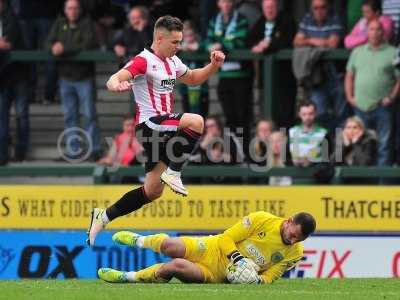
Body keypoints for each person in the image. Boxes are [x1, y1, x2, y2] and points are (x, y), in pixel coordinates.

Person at [86, 16, 225, 246]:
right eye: (174, 42)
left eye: (180, 42)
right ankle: (174, 172)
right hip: (150, 125)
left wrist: (213, 66)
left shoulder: (173, 61)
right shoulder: (143, 60)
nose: (178, 46)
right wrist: (115, 85)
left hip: (163, 129)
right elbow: (116, 77)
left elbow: (193, 79)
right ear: (159, 38)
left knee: (152, 191)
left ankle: (104, 216)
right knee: (197, 122)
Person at [97, 211, 316, 284]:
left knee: (174, 267)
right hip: (212, 247)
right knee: (170, 245)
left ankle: (126, 277)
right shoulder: (262, 220)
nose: (293, 241)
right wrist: (238, 258)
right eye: (293, 235)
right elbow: (226, 238)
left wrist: (256, 281)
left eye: (298, 240)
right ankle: (139, 241)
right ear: (288, 222)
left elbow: (272, 276)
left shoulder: (295, 252)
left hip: (216, 274)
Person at [45, 0, 101, 161]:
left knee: (89, 114)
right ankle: (74, 150)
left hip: (84, 77)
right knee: (70, 116)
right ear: (65, 10)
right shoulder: (59, 23)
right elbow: (47, 42)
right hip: (65, 77)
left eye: (75, 8)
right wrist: (53, 47)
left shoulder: (87, 23)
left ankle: (94, 150)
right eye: (69, 8)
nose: (73, 11)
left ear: (80, 9)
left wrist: (63, 48)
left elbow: (89, 44)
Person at [345, 19, 400, 166]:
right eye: (371, 29)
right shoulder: (357, 52)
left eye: (378, 29)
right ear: (367, 32)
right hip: (360, 107)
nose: (374, 33)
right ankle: (361, 184)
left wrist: (392, 97)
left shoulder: (393, 52)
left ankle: (382, 186)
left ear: (383, 32)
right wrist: (350, 97)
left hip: (382, 107)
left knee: (384, 146)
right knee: (359, 146)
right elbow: (349, 76)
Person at [293, 0, 349, 129]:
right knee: (319, 114)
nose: (319, 11)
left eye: (323, 7)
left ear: (328, 7)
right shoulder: (307, 19)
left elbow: (333, 43)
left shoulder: (334, 19)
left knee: (341, 114)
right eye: (316, 8)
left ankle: (340, 147)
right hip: (316, 77)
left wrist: (308, 41)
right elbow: (297, 41)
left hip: (336, 74)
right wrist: (320, 42)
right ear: (312, 9)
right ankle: (325, 145)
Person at [205, 0, 252, 153]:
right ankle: (234, 151)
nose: (226, 5)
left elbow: (240, 41)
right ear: (218, 4)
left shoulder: (241, 19)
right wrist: (209, 46)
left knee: (242, 116)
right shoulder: (214, 20)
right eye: (223, 2)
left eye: (228, 2)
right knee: (229, 117)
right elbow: (207, 41)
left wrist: (221, 45)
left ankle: (246, 151)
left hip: (241, 76)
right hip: (224, 76)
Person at [0, 0, 29, 165]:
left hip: (18, 75)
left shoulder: (13, 18)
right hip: (2, 78)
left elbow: (9, 44)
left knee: (21, 115)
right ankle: (2, 155)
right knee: (2, 118)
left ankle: (21, 152)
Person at [289, 101, 328, 167]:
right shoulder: (292, 132)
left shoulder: (324, 133)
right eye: (304, 114)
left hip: (315, 173)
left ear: (316, 114)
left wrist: (311, 160)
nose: (307, 117)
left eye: (310, 114)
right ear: (299, 114)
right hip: (293, 173)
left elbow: (326, 157)